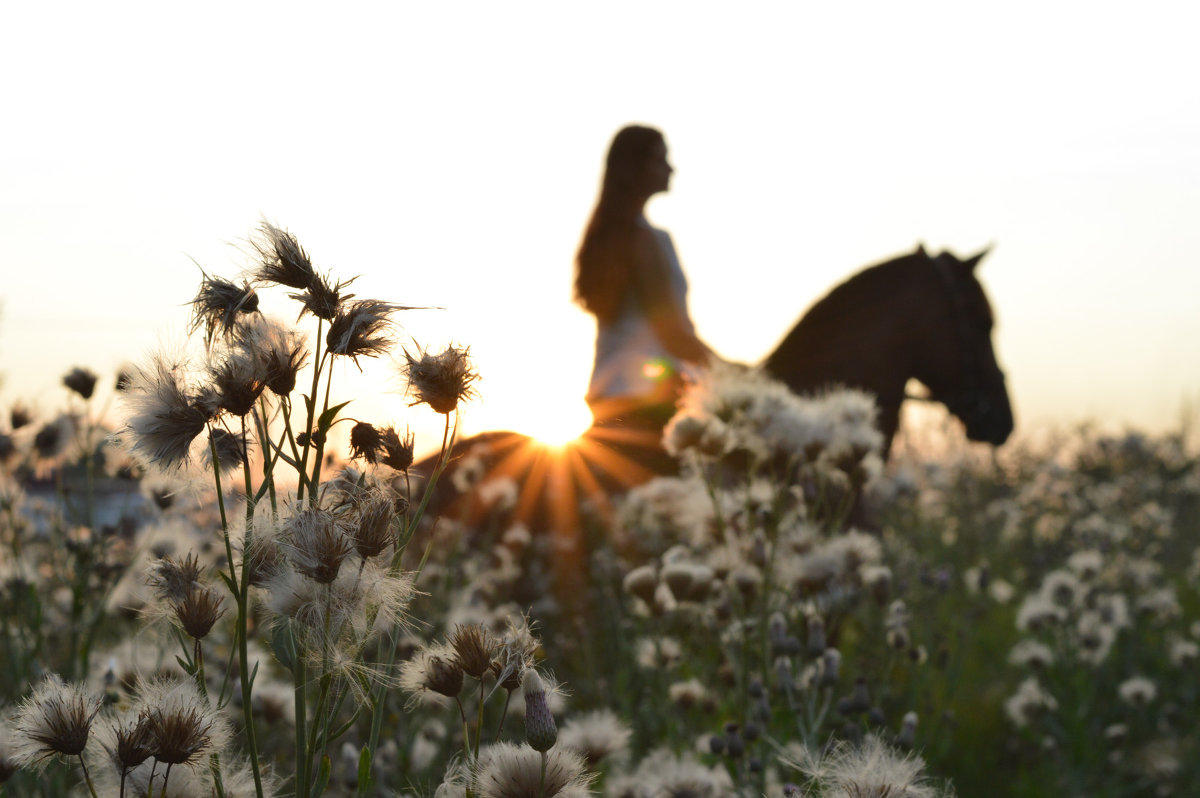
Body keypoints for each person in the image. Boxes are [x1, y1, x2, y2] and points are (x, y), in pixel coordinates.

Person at [574, 125, 721, 437]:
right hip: (649, 402)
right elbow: (673, 334)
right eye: (660, 159)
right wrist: (740, 375)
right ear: (634, 169)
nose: (670, 168)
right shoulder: (646, 240)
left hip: (608, 396)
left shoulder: (608, 240)